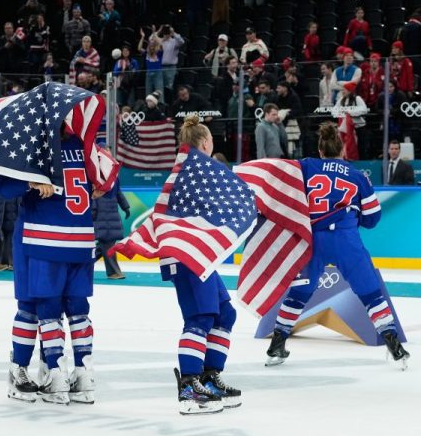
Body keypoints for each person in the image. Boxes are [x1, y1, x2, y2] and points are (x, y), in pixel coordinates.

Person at [265, 122, 410, 368]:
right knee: (371, 293)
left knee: (299, 293)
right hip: (346, 240)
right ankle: (394, 345)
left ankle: (276, 346)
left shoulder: (306, 166)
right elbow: (373, 218)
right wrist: (354, 220)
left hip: (312, 240)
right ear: (343, 151)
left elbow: (280, 182)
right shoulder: (358, 176)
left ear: (320, 150)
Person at [0, 126, 102, 405]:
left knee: (34, 307)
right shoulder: (83, 142)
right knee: (74, 309)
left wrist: (28, 182)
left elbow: (2, 185)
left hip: (41, 234)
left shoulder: (33, 145)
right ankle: (79, 373)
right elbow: (106, 182)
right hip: (79, 236)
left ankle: (47, 371)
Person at [169, 115, 240, 415]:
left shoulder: (193, 169)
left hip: (198, 256)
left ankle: (209, 376)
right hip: (187, 254)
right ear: (206, 142)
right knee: (201, 316)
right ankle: (189, 385)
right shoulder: (191, 169)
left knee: (225, 312)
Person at [92, 181, 130, 279]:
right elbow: (92, 195)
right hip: (100, 216)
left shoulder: (114, 176)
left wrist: (125, 207)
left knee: (103, 246)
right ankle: (113, 272)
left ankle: (82, 264)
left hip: (112, 214)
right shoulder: (96, 175)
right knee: (107, 244)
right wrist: (92, 212)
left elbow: (118, 193)